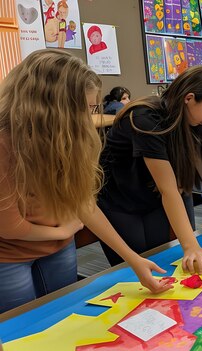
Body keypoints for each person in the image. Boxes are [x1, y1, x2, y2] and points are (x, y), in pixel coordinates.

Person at [0, 50, 171, 314]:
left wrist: (133, 259)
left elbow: (84, 204)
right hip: (9, 255)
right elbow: (10, 227)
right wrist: (63, 231)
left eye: (93, 108)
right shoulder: (5, 144)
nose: (89, 118)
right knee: (22, 326)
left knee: (62, 315)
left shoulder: (69, 137)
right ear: (50, 107)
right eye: (84, 108)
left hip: (58, 245)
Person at [98, 66, 202, 272]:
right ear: (189, 98)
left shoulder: (187, 120)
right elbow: (167, 188)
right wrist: (192, 246)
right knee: (134, 269)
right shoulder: (145, 118)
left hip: (149, 199)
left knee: (160, 260)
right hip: (120, 202)